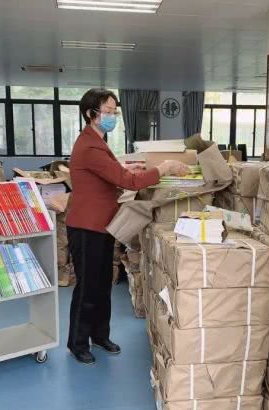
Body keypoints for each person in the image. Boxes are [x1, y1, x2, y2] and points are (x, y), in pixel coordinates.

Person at [65, 88, 189, 365]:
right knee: (88, 288)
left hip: (102, 224)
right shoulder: (89, 146)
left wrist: (128, 171)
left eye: (114, 111)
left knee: (102, 285)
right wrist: (164, 168)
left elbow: (113, 175)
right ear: (90, 114)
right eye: (108, 112)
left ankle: (100, 335)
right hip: (86, 226)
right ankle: (77, 343)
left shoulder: (98, 142)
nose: (112, 116)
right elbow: (127, 182)